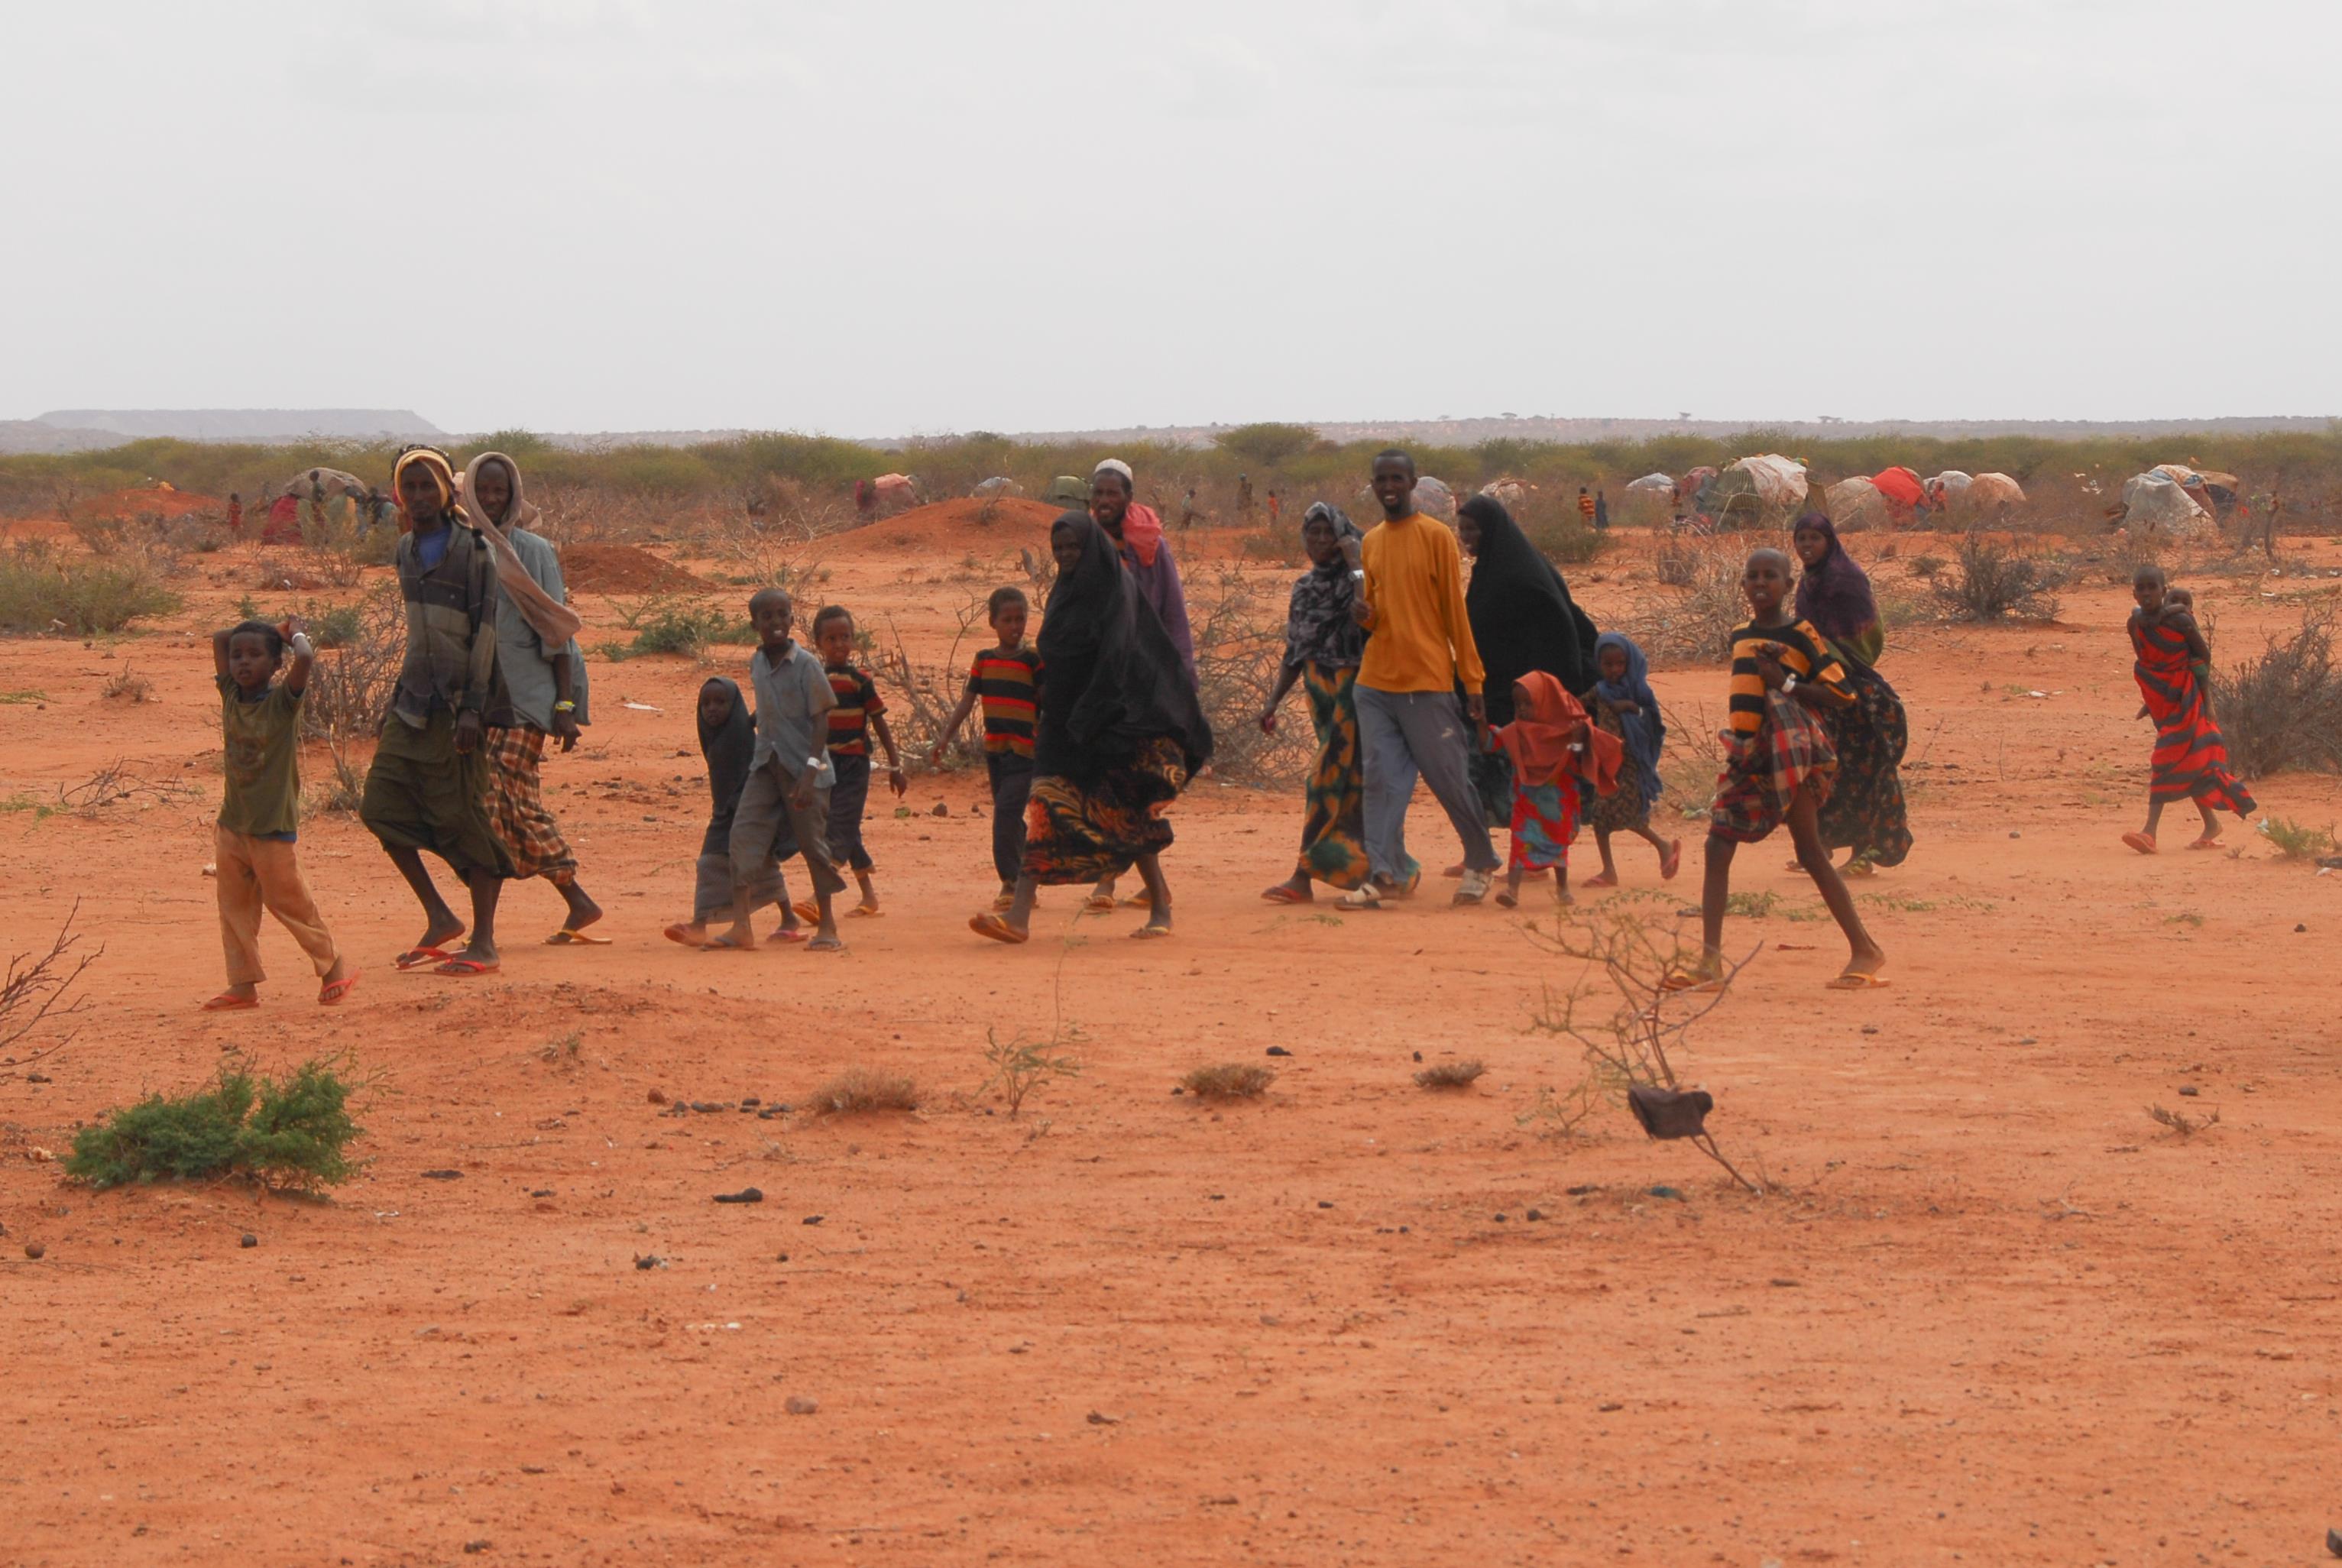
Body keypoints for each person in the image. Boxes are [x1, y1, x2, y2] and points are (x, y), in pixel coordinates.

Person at [970, 512, 1210, 944]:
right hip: (1061, 727)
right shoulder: (1064, 594)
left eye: (1073, 547)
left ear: (1090, 547)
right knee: (1044, 809)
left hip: (1106, 728)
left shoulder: (1115, 593)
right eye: (1058, 547)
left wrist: (1092, 715)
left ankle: (1159, 906)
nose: (1065, 555)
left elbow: (1120, 658)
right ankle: (1020, 917)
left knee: (1124, 818)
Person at [1673, 548, 1887, 992]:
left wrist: (1786, 682)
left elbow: (1842, 694)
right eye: (1752, 576)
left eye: (1770, 576)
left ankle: (1865, 948)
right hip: (1750, 755)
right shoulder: (1740, 635)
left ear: (1788, 586)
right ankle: (1710, 963)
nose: (1760, 584)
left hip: (1793, 754)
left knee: (1810, 852)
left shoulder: (1802, 634)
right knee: (1717, 845)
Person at [359, 445, 513, 977]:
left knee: (463, 817)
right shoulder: (404, 549)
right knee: (380, 806)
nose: (420, 497)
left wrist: (473, 707)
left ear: (448, 491)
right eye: (411, 487)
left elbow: (485, 633)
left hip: (456, 709)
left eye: (430, 486)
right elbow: (418, 635)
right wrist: (395, 696)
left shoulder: (473, 551)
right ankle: (439, 915)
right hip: (411, 702)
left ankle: (486, 944)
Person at [1344, 449, 1499, 909]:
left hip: (1426, 681)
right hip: (1375, 684)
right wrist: (1364, 615)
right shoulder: (1371, 540)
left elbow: (1456, 613)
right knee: (1380, 781)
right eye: (1380, 479)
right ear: (1372, 485)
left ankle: (1480, 860)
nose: (1388, 486)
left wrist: (1472, 681)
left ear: (1412, 484)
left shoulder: (1436, 538)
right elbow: (1377, 613)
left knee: (1449, 777)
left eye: (1396, 478)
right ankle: (1385, 872)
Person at [465, 451, 605, 944]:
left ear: (514, 494)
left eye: (499, 490)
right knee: (507, 806)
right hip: (484, 701)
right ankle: (576, 901)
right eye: (482, 489)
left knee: (497, 803)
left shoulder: (534, 550)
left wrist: (565, 707)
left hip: (531, 698)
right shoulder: (466, 547)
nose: (490, 498)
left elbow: (557, 628)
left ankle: (488, 930)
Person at [1256, 502, 1417, 902]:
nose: (1321, 542)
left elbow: (1367, 613)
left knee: (1329, 780)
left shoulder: (1360, 583)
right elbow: (1295, 652)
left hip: (1356, 691)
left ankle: (1303, 875)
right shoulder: (1304, 588)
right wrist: (1273, 701)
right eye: (1314, 533)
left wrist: (1356, 561)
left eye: (1330, 534)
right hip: (1320, 694)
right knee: (1352, 784)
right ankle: (1389, 870)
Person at [205, 617, 356, 1010]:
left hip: (272, 826)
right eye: (238, 656)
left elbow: (304, 658)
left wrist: (293, 636)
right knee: (234, 907)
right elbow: (221, 637)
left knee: (289, 902)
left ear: (275, 664)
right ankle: (242, 984)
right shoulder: (231, 696)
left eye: (256, 655)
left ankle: (331, 965)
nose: (242, 663)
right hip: (232, 824)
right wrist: (268, 631)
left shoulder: (282, 704)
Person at [1453, 492, 1601, 863]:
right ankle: (1483, 853)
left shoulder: (1519, 575)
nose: (1466, 538)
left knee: (1530, 782)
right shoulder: (1490, 569)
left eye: (1473, 530)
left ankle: (1538, 854)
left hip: (1525, 700)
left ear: (1491, 531)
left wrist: (1549, 695)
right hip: (1492, 694)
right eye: (1462, 531)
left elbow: (1562, 629)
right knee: (1479, 774)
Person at [1088, 458, 1197, 911]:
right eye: (1098, 494)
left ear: (1128, 497)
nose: (1105, 501)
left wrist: (1181, 678)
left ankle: (1113, 881)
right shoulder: (1086, 544)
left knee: (1128, 784)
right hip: (1102, 680)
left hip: (1146, 679)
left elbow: (1173, 611)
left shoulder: (1151, 546)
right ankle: (1143, 885)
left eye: (1113, 493)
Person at [715, 588, 848, 951]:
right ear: (754, 623)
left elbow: (820, 720)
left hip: (806, 769)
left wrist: (808, 773)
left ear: (792, 619)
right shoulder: (757, 663)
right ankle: (742, 926)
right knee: (743, 836)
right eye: (767, 617)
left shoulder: (806, 664)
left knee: (812, 846)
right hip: (765, 766)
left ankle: (829, 926)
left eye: (782, 615)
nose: (775, 623)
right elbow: (769, 710)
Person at [1791, 508, 1912, 874]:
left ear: (1830, 542)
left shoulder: (1845, 580)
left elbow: (1865, 639)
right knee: (1821, 769)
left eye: (1815, 538)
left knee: (1861, 773)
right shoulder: (1809, 581)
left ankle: (1863, 856)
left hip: (1853, 689)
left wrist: (1834, 658)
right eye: (1801, 539)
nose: (1807, 545)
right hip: (1821, 684)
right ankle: (1819, 848)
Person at [2123, 566, 2255, 854]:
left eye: (2152, 588)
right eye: (2141, 588)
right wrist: (2151, 698)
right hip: (2163, 701)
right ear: (2134, 592)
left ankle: (2149, 833)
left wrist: (2207, 701)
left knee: (2165, 758)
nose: (2147, 593)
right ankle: (2211, 825)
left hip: (2188, 699)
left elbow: (2202, 656)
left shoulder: (2181, 622)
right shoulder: (2135, 625)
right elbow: (2146, 661)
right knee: (2190, 761)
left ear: (2163, 589)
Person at [666, 676, 803, 948]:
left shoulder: (738, 737)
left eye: (720, 702)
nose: (711, 709)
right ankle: (788, 918)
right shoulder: (719, 733)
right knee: (759, 865)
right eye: (705, 704)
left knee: (712, 863)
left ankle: (700, 923)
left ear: (734, 705)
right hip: (727, 811)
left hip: (744, 810)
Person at [931, 586, 1043, 910]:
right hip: (995, 753)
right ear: (992, 622)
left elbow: (1047, 702)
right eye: (1007, 620)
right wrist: (945, 735)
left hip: (1026, 753)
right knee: (1011, 817)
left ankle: (1011, 883)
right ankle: (1028, 876)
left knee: (1005, 814)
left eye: (1020, 619)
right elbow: (968, 700)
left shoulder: (1033, 661)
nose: (1015, 626)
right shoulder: (984, 660)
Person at [1491, 672, 1621, 909]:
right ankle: (1513, 889)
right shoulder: (1517, 731)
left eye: (1528, 703)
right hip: (1527, 803)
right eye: (1518, 703)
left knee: (1558, 845)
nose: (1521, 709)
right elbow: (1491, 743)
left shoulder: (1564, 734)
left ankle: (1563, 889)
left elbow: (1577, 759)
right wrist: (1480, 722)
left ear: (1545, 703)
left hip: (1557, 806)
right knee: (1519, 843)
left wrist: (1579, 739)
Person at [808, 605, 907, 916]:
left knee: (839, 829)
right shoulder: (814, 679)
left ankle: (818, 896)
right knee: (846, 830)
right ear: (818, 643)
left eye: (845, 637)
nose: (839, 645)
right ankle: (869, 897)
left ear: (854, 640)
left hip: (854, 765)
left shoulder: (860, 680)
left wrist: (895, 766)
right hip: (825, 766)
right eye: (832, 638)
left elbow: (879, 722)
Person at [1582, 632, 1682, 886]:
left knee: (1627, 814)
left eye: (1620, 664)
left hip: (1630, 764)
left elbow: (1653, 722)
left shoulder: (1638, 690)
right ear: (1599, 664)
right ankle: (1609, 870)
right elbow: (1580, 704)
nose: (1615, 670)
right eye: (1608, 664)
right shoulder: (1601, 690)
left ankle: (1663, 846)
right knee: (1600, 816)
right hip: (1606, 762)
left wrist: (1630, 707)